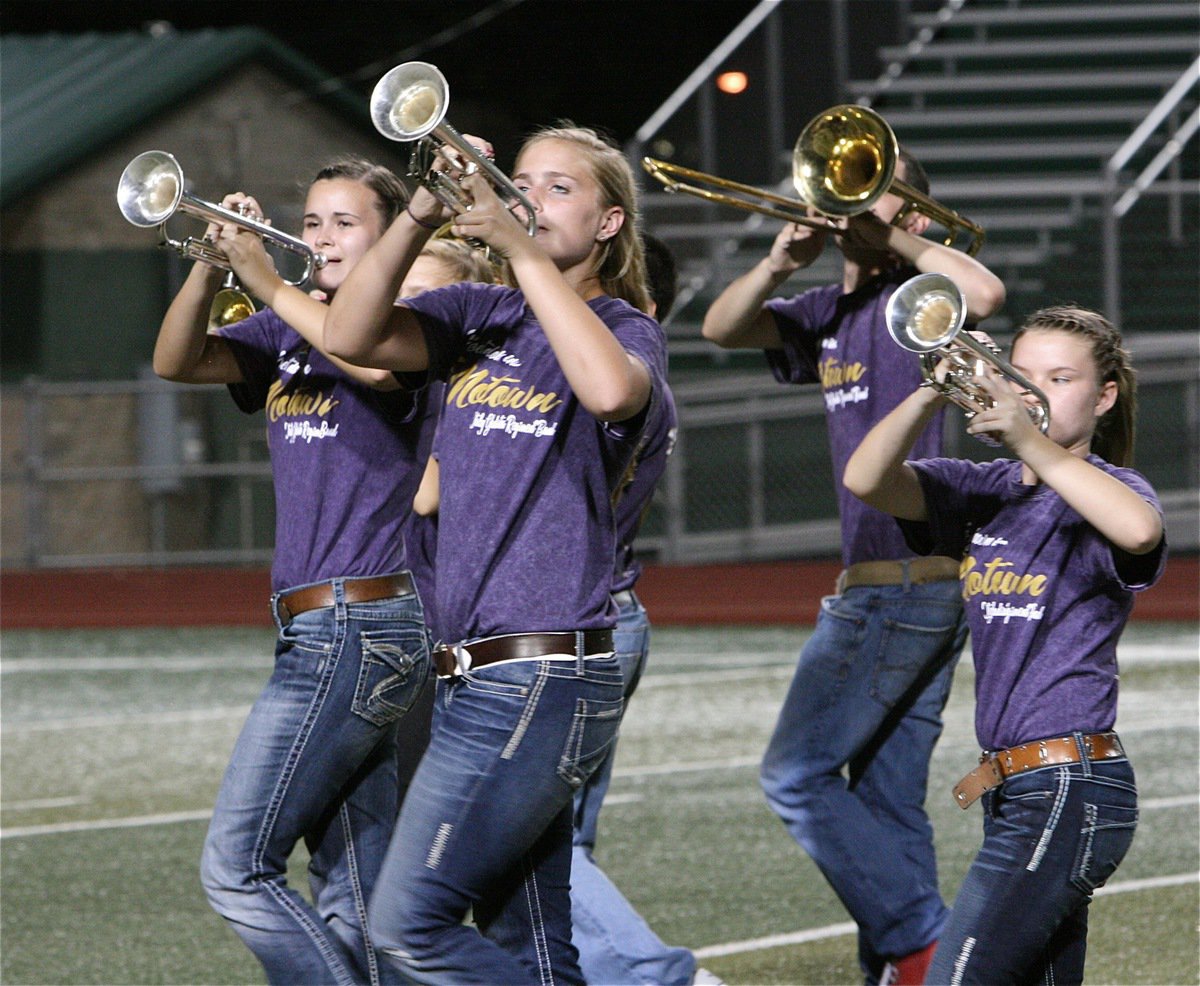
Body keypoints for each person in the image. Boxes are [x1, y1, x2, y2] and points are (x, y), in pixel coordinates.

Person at [323, 124, 668, 985]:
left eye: (560, 188)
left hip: (543, 668)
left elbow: (608, 390)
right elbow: (350, 334)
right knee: (530, 932)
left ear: (609, 224)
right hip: (472, 672)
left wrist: (521, 253)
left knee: (406, 927)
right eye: (522, 182)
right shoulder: (478, 317)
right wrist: (423, 211)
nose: (532, 197)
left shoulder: (624, 327)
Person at [701, 148, 1006, 985]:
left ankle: (921, 943)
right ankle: (905, 970)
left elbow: (984, 295)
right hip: (912, 583)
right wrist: (776, 259)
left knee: (793, 775)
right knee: (882, 798)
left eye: (879, 189)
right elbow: (719, 328)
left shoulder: (920, 300)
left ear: (910, 212)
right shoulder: (826, 311)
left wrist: (894, 236)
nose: (854, 202)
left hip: (903, 578)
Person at [152, 159, 433, 985]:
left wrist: (269, 280)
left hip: (359, 622)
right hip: (322, 623)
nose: (321, 236)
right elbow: (177, 363)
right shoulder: (286, 329)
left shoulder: (409, 322)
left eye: (346, 222)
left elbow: (372, 363)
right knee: (352, 887)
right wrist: (212, 265)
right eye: (312, 221)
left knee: (237, 870)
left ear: (390, 238)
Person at [843, 304, 1165, 984]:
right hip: (1013, 788)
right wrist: (936, 381)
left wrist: (1031, 443)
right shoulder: (980, 490)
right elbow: (866, 478)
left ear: (1104, 396)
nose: (1036, 391)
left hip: (1069, 786)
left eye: (1061, 377)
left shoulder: (1110, 491)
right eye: (1023, 375)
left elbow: (1138, 531)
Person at [569, 233, 718, 986]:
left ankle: (664, 979)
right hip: (613, 611)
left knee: (532, 845)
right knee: (565, 845)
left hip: (579, 622)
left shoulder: (614, 373)